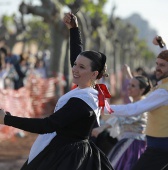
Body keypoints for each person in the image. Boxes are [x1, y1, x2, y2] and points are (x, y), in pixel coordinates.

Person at [0, 13, 114, 170]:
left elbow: (47, 125)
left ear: (94, 74)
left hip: (67, 156)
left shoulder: (82, 101)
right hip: (67, 149)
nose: (74, 69)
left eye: (81, 67)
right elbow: (77, 56)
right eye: (75, 65)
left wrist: (7, 120)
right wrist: (74, 30)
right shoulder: (89, 90)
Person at [107, 41, 168, 169]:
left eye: (162, 65)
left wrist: (102, 107)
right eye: (157, 64)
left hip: (160, 147)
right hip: (157, 145)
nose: (158, 67)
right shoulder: (164, 85)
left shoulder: (164, 91)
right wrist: (162, 47)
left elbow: (134, 109)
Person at [93, 71, 152, 169]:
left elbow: (122, 118)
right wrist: (128, 73)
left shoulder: (142, 106)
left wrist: (102, 127)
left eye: (132, 86)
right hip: (128, 142)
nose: (128, 87)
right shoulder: (137, 104)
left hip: (134, 145)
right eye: (129, 84)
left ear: (142, 90)